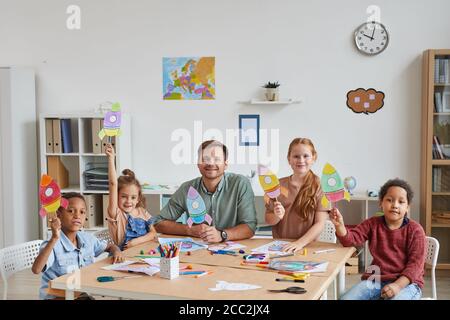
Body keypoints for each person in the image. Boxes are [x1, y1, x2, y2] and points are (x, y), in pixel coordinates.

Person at [329, 178, 426, 300]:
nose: (395, 205)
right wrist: (339, 225)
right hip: (375, 280)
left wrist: (397, 285)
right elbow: (351, 240)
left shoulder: (415, 230)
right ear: (381, 203)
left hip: (407, 284)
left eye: (401, 202)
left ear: (407, 207)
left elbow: (415, 266)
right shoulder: (372, 224)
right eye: (389, 200)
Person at [154, 140, 257, 243]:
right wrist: (189, 230)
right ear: (198, 163)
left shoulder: (240, 184)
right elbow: (158, 223)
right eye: (205, 158)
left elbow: (250, 227)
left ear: (225, 164)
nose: (211, 163)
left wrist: (222, 235)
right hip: (198, 250)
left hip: (234, 250)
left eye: (217, 159)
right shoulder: (187, 189)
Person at [32, 192, 124, 300]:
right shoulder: (53, 243)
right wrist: (54, 238)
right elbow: (36, 269)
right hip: (56, 297)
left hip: (79, 294)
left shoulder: (87, 239)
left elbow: (110, 247)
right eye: (70, 211)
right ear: (59, 215)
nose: (77, 216)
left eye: (82, 212)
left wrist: (117, 251)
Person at [265, 137, 327, 252]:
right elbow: (268, 220)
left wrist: (299, 243)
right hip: (281, 247)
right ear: (289, 159)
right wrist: (276, 216)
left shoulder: (321, 186)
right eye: (296, 156)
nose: (301, 160)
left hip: (307, 247)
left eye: (305, 156)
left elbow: (320, 223)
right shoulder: (276, 185)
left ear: (314, 158)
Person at [105, 143, 157, 249]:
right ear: (117, 196)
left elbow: (153, 233)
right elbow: (113, 184)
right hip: (122, 258)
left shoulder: (142, 212)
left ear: (138, 198)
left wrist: (135, 242)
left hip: (142, 255)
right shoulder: (116, 213)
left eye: (133, 197)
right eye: (124, 196)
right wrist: (111, 159)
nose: (129, 201)